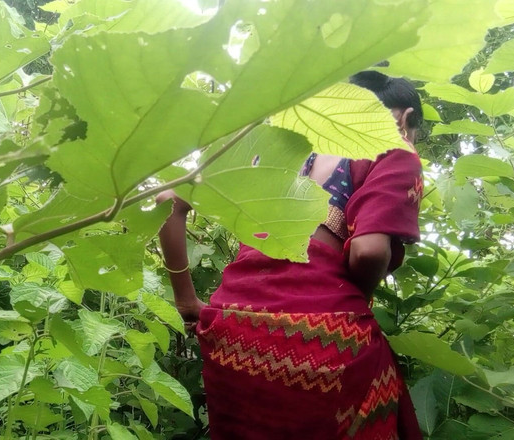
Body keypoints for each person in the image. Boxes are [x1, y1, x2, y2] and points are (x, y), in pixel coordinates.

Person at [157, 71, 425, 439]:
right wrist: (354, 301)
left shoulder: (273, 146)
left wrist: (187, 301)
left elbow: (167, 203)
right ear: (405, 118)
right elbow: (368, 251)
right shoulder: (393, 148)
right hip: (325, 337)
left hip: (232, 332)